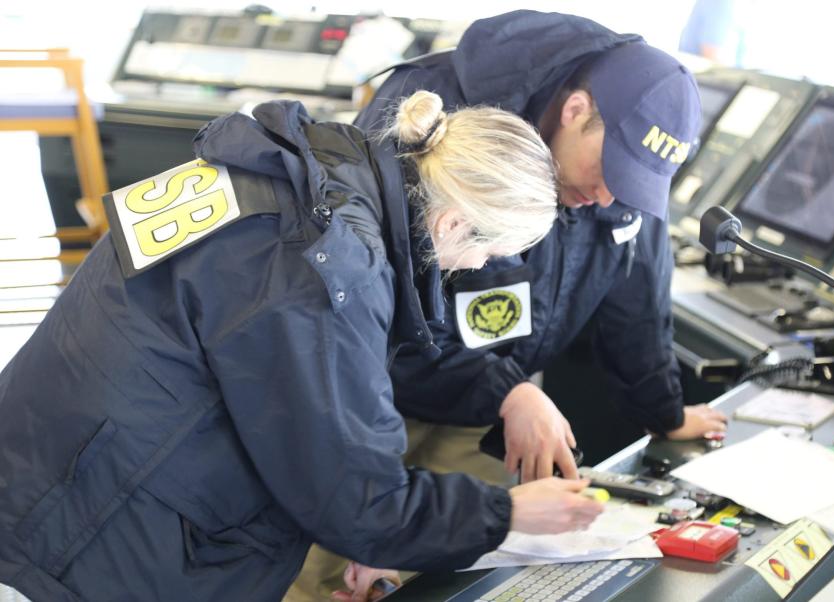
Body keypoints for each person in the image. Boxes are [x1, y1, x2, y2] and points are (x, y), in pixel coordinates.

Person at [0, 91, 605, 602]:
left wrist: (372, 529)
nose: (477, 268)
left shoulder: (305, 171)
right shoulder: (328, 263)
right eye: (489, 254)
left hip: (50, 467)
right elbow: (358, 499)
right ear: (452, 225)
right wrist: (509, 514)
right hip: (86, 539)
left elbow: (288, 403)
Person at [285, 10, 729, 601]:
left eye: (632, 185)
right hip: (373, 398)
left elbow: (637, 298)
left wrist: (663, 410)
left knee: (452, 580)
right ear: (575, 113)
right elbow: (366, 305)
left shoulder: (617, 182)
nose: (606, 197)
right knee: (333, 577)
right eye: (609, 171)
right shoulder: (437, 115)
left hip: (486, 414)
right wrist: (508, 392)